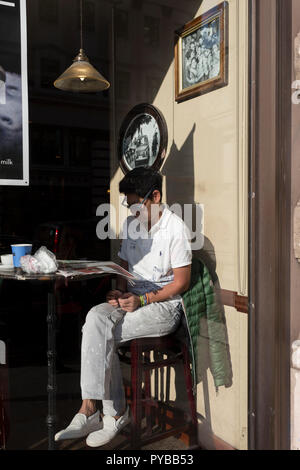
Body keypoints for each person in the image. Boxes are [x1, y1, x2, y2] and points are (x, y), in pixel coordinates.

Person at [54, 167, 192, 448]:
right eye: (128, 205)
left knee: (99, 335)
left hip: (162, 306)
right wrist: (120, 290)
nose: (132, 211)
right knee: (94, 317)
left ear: (155, 197)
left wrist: (143, 300)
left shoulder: (176, 228)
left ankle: (111, 412)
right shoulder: (132, 225)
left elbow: (182, 282)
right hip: (133, 298)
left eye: (135, 205)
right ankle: (91, 407)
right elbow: (125, 267)